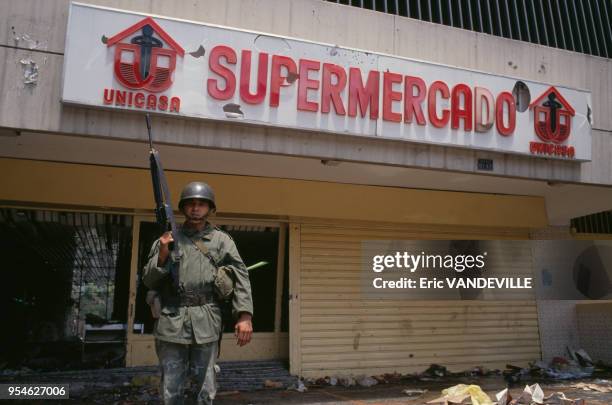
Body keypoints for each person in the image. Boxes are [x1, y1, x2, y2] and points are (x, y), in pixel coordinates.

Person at [143, 181, 253, 405]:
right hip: (172, 318)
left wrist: (244, 315)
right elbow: (148, 280)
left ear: (210, 208)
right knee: (170, 387)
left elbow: (240, 275)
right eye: (190, 204)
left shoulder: (222, 241)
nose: (195, 208)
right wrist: (163, 253)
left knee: (206, 386)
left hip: (206, 318)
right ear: (183, 208)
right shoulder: (166, 239)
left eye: (201, 204)